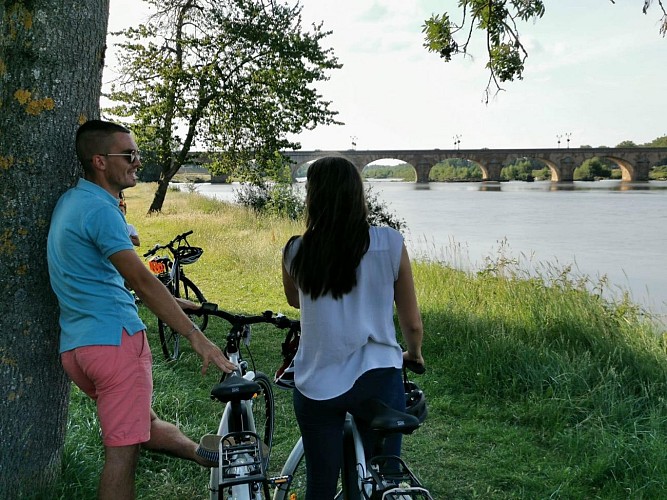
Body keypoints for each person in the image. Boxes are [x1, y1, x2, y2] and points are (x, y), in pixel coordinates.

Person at [47, 119, 236, 500]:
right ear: (100, 161)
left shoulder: (74, 201)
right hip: (115, 344)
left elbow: (98, 271)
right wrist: (196, 337)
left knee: (141, 426)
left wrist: (189, 306)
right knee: (122, 456)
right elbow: (145, 282)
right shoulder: (100, 212)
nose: (137, 161)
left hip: (79, 347)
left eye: (137, 153)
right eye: (128, 154)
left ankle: (205, 456)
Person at [281, 156, 425, 499]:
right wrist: (413, 354)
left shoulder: (296, 249)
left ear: (312, 198)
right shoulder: (390, 243)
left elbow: (296, 300)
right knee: (384, 475)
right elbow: (413, 323)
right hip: (378, 375)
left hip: (318, 380)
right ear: (357, 194)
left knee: (320, 481)